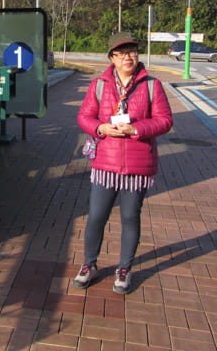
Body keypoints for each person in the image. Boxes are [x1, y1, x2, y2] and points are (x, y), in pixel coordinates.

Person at [74, 32, 173, 294]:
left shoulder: (152, 85)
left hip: (137, 165)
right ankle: (89, 264)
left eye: (131, 51)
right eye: (121, 53)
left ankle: (124, 269)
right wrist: (101, 127)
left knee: (130, 217)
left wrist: (136, 130)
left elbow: (165, 120)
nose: (127, 57)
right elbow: (84, 116)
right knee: (96, 216)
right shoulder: (98, 84)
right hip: (105, 163)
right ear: (112, 58)